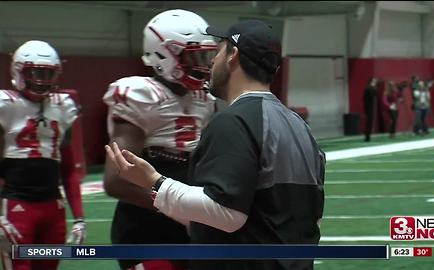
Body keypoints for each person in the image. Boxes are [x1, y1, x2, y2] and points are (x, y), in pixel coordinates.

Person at [105, 19, 325, 270]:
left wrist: (154, 182)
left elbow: (226, 213)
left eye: (217, 51)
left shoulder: (235, 121)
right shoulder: (298, 125)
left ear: (233, 55)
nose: (210, 61)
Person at [102, 9, 217, 270]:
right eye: (195, 56)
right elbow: (116, 180)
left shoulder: (204, 100)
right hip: (145, 229)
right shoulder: (141, 95)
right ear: (163, 54)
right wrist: (180, 209)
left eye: (206, 55)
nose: (204, 64)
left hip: (187, 225)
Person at [0, 40, 86, 269]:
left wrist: (79, 218)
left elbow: (69, 169)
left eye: (48, 73)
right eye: (36, 72)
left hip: (53, 207)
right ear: (19, 72)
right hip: (17, 205)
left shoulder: (64, 105)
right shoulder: (5, 104)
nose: (42, 80)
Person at [363, 77, 378, 142]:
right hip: (369, 107)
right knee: (369, 122)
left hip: (370, 107)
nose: (375, 82)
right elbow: (374, 94)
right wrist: (374, 88)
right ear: (371, 81)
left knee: (370, 122)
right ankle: (367, 137)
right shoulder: (369, 88)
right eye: (374, 81)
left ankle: (368, 136)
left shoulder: (369, 88)